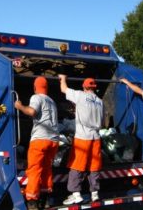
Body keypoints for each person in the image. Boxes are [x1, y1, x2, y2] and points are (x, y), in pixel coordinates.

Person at [14, 76, 60, 210]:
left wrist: (19, 106)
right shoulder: (52, 101)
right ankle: (45, 200)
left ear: (35, 87)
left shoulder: (36, 97)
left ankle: (32, 202)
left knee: (34, 170)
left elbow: (32, 111)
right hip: (53, 141)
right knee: (46, 169)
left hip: (40, 140)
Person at [58, 74, 104, 205]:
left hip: (83, 137)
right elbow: (102, 121)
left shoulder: (80, 95)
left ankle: (76, 194)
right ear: (94, 87)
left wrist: (63, 78)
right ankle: (95, 193)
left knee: (77, 165)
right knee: (94, 166)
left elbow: (64, 89)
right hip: (96, 137)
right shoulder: (100, 101)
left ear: (84, 86)